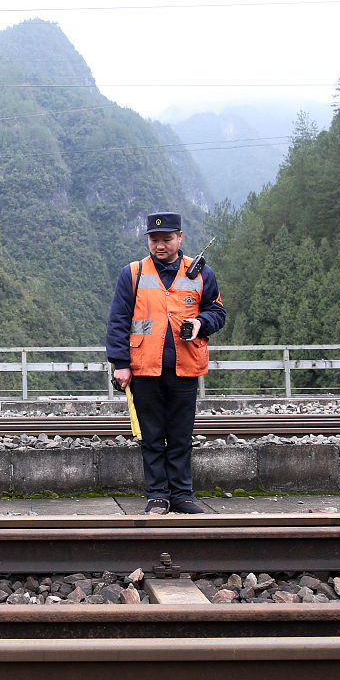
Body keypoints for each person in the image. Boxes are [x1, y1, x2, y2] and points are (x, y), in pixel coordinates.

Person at [105, 212, 226, 515]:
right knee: (152, 436)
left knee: (181, 436)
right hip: (145, 369)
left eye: (166, 239)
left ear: (180, 238)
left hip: (185, 367)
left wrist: (200, 323)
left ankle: (182, 495)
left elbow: (218, 312)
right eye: (154, 239)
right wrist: (120, 363)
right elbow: (119, 321)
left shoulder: (201, 274)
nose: (159, 245)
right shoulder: (132, 273)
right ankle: (158, 495)